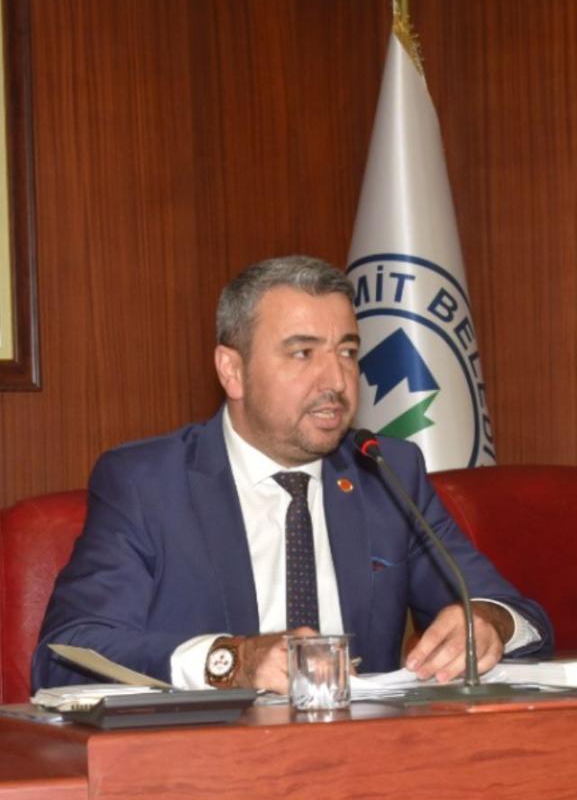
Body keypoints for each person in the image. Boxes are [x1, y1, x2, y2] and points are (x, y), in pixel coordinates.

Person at [32, 255, 553, 693]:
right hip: (206, 767)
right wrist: (233, 662)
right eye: (302, 353)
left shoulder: (385, 472)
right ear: (232, 370)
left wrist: (488, 623)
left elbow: (520, 615)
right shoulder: (148, 483)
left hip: (366, 761)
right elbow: (69, 653)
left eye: (347, 351)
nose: (336, 380)